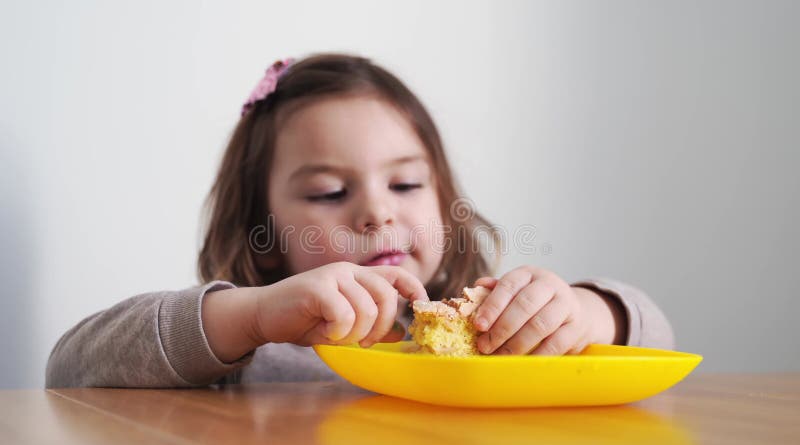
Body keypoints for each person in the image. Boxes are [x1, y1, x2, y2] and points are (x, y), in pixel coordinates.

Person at [45, 53, 674, 388]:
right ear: (262, 229)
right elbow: (70, 368)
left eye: (405, 183)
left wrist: (585, 314)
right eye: (327, 192)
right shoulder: (249, 354)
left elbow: (655, 334)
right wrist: (250, 315)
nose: (378, 211)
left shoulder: (495, 335)